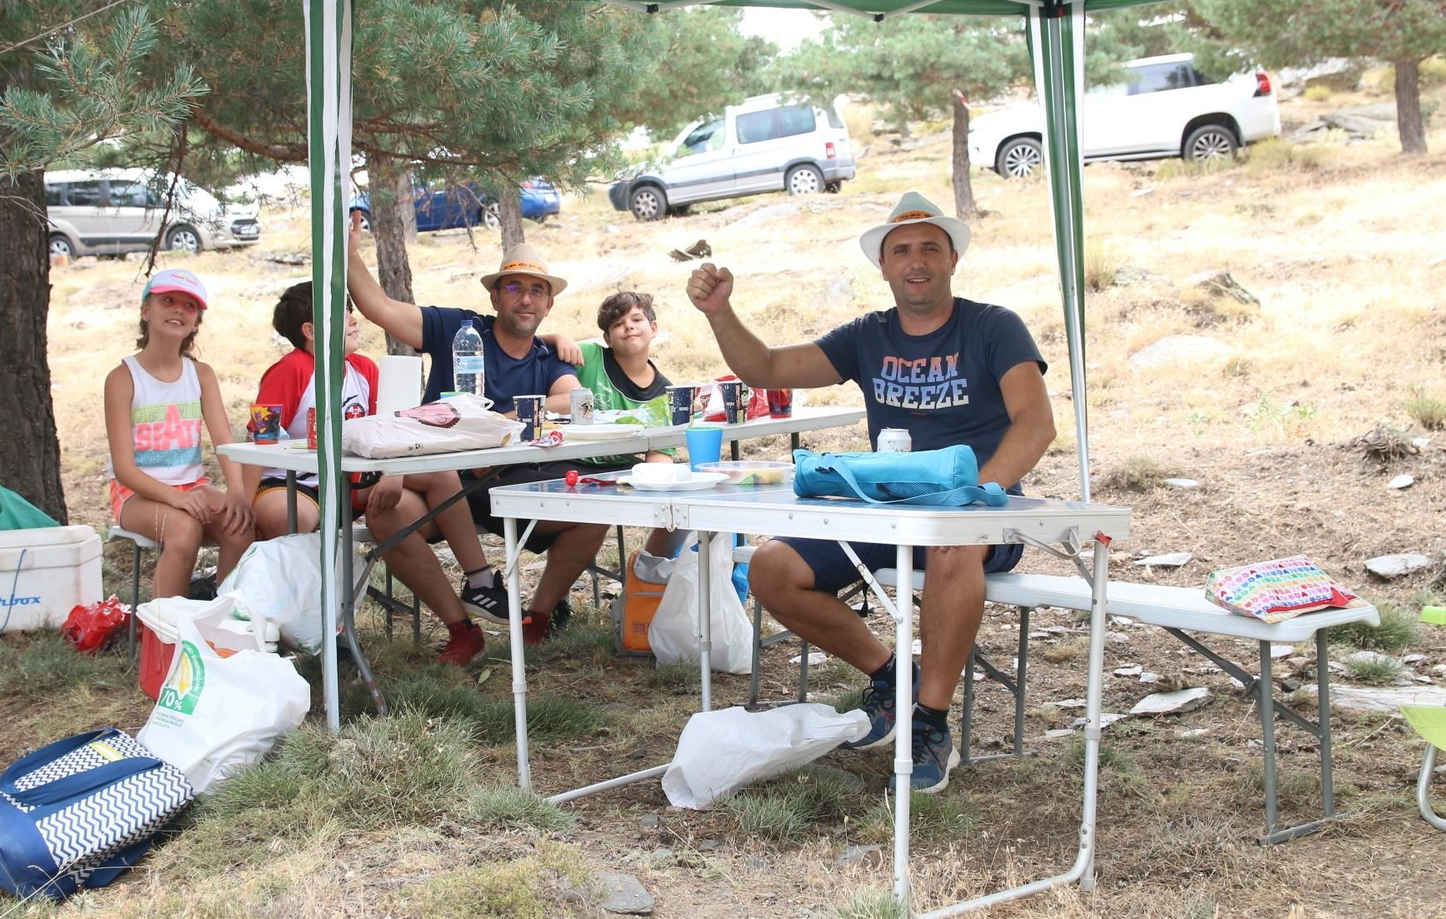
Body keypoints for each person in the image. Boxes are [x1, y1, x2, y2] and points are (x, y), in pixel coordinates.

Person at [686, 191, 1055, 793]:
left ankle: (931, 722)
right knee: (772, 568)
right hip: (886, 508)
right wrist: (720, 313)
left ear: (953, 259)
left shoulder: (995, 326)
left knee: (952, 545)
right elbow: (768, 370)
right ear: (882, 266)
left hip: (981, 513)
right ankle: (893, 679)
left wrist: (978, 494)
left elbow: (1035, 425)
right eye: (901, 250)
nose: (917, 261)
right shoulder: (868, 335)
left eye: (931, 248)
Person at [346, 219, 611, 645]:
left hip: (502, 486)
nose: (525, 299)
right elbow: (380, 308)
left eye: (536, 290)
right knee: (386, 510)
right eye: (514, 288)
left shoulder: (547, 355)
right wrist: (350, 253)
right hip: (442, 483)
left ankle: (535, 620)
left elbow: (577, 402)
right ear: (495, 295)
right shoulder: (459, 329)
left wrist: (498, 422)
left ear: (548, 305)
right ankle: (462, 629)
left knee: (594, 507)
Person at [244, 281, 496, 666]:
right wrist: (244, 500)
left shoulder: (362, 368)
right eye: (342, 314)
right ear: (311, 332)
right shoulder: (293, 369)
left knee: (438, 475)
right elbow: (259, 434)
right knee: (292, 517)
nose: (353, 318)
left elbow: (391, 428)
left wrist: (392, 470)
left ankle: (479, 586)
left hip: (352, 481)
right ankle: (307, 626)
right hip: (298, 481)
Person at [104, 269, 256, 600]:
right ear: (146, 310)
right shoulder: (123, 377)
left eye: (189, 306)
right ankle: (164, 635)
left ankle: (223, 625)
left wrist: (236, 490)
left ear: (197, 321)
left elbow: (223, 441)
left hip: (192, 487)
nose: (177, 310)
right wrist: (178, 499)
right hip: (136, 495)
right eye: (167, 301)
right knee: (184, 528)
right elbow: (124, 470)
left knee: (240, 524)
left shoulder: (200, 374)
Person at [573, 291, 689, 568]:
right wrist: (557, 338)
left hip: (624, 475)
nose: (628, 326)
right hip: (570, 466)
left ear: (654, 328)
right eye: (617, 323)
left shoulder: (666, 393)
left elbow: (659, 456)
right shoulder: (589, 357)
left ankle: (645, 574)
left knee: (684, 502)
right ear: (607, 338)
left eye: (637, 319)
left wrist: (659, 491)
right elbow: (534, 350)